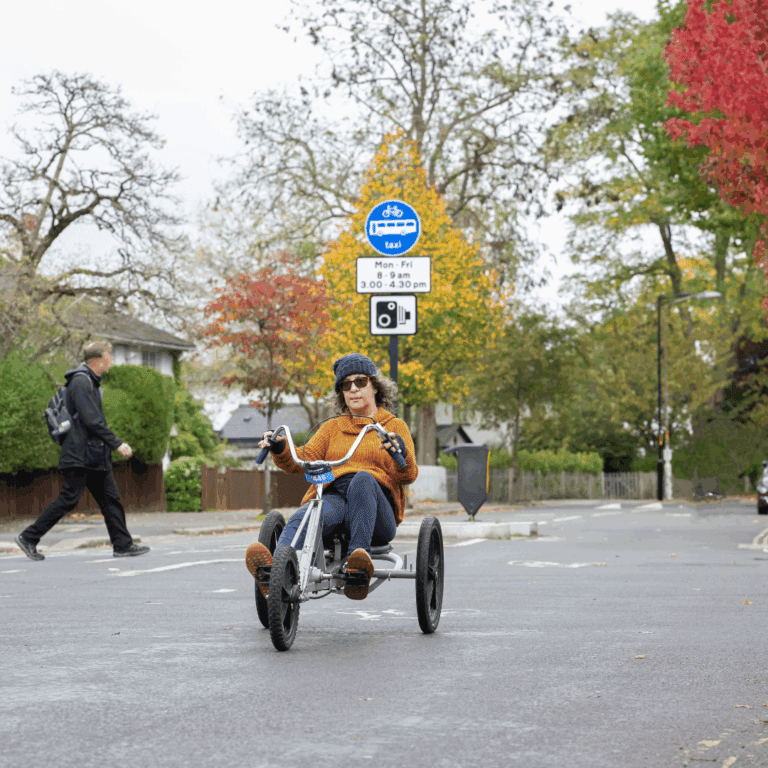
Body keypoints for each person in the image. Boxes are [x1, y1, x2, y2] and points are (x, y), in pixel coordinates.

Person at [245, 353, 418, 600]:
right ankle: (275, 575)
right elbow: (303, 459)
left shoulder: (393, 426)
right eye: (346, 385)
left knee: (362, 479)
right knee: (311, 510)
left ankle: (358, 563)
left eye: (361, 382)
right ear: (341, 394)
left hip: (377, 512)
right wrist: (281, 447)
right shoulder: (332, 428)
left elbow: (409, 474)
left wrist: (398, 452)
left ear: (375, 387)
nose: (354, 389)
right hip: (337, 497)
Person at [15, 341, 150, 561]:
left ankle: (122, 545)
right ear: (98, 359)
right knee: (68, 499)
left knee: (110, 500)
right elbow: (92, 421)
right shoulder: (80, 381)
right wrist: (117, 443)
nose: (112, 360)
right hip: (80, 455)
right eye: (109, 355)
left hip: (94, 455)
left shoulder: (90, 381)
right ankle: (29, 537)